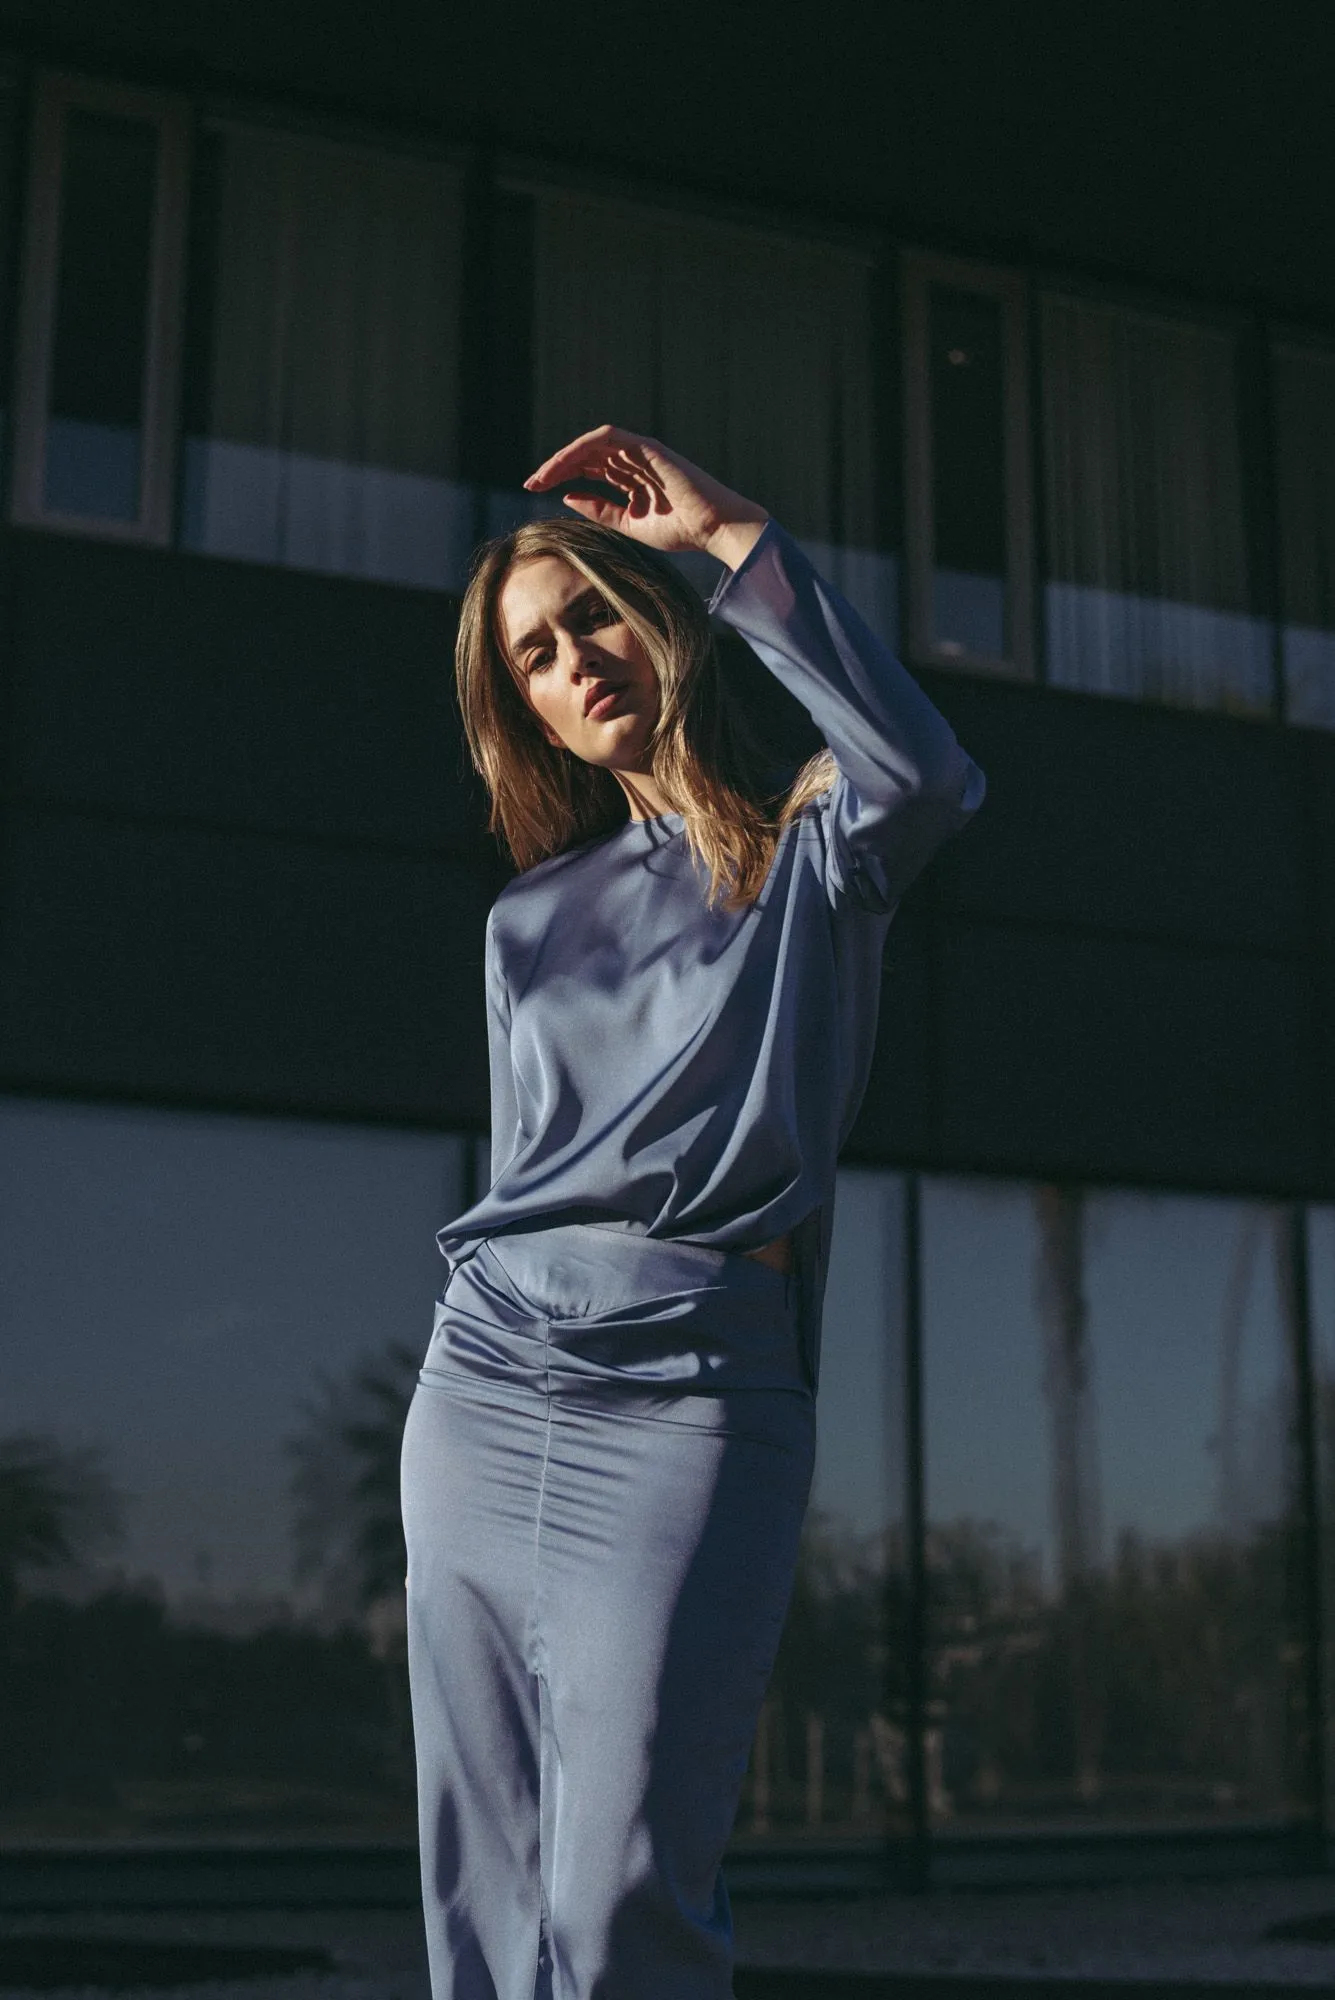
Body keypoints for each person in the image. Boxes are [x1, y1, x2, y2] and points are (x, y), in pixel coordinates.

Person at [400, 427, 986, 1999]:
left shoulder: (817, 842)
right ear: (515, 708)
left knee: (617, 1899)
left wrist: (729, 535)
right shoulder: (529, 918)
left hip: (692, 1387)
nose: (571, 661)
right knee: (484, 1876)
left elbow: (925, 770)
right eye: (530, 657)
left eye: (589, 615)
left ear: (651, 618)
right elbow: (529, 1165)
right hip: (487, 1373)